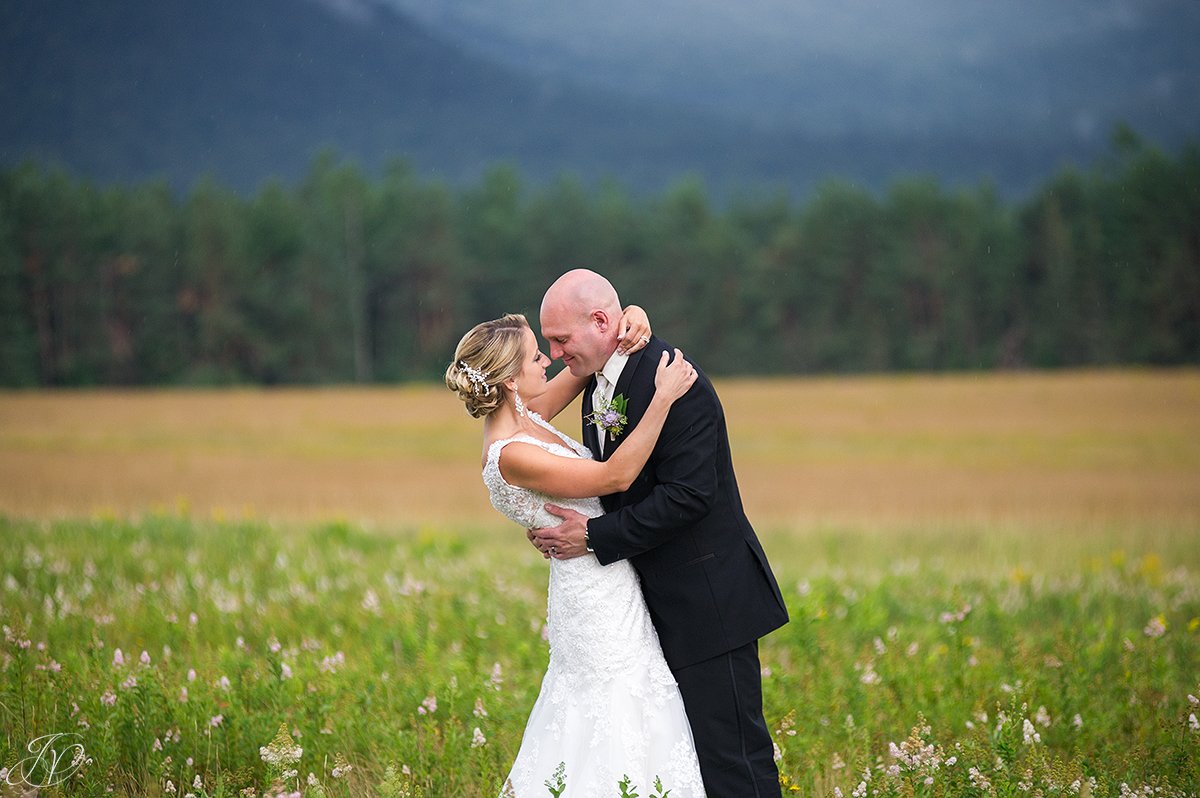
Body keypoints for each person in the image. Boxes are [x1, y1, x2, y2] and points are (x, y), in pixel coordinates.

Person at [532, 269, 790, 797]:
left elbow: (689, 497)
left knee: (733, 761)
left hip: (708, 603)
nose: (555, 354)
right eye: (549, 344)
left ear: (602, 321)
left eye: (561, 340)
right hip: (646, 612)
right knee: (683, 765)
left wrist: (595, 537)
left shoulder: (673, 379)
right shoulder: (600, 378)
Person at [445, 307, 708, 797]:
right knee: (615, 706)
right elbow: (614, 478)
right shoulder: (512, 452)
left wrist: (632, 316)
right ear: (506, 380)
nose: (546, 360)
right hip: (595, 596)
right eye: (532, 357)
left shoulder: (531, 414)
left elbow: (585, 364)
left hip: (603, 574)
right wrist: (663, 398)